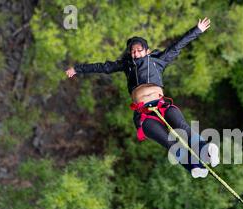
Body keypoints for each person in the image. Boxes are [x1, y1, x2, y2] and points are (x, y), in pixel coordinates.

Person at [65, 17, 219, 178]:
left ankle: (206, 151)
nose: (136, 53)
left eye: (139, 50)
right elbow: (103, 67)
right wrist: (77, 69)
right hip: (144, 115)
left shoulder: (158, 61)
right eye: (133, 51)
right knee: (168, 142)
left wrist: (197, 30)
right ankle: (194, 167)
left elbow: (177, 46)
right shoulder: (127, 65)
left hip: (161, 106)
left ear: (147, 51)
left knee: (182, 127)